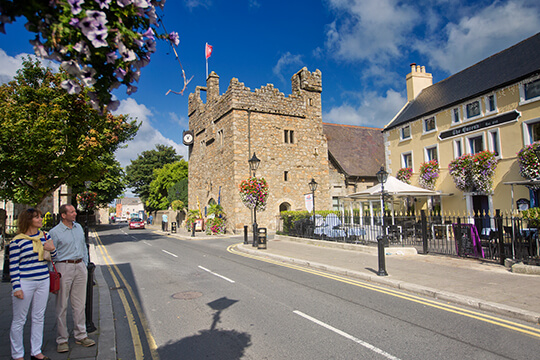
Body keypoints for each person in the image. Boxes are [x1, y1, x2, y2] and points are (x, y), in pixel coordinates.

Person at [9, 208, 56, 360]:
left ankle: (36, 351)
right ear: (29, 220)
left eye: (40, 217)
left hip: (43, 280)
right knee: (19, 320)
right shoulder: (17, 241)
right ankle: (17, 354)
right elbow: (13, 265)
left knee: (38, 317)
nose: (41, 220)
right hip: (25, 282)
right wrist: (16, 287)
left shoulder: (45, 236)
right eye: (37, 217)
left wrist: (52, 249)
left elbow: (53, 256)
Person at [49, 204, 95, 353]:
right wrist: (53, 273)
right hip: (64, 267)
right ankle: (62, 339)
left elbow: (83, 247)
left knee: (79, 304)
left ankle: (81, 335)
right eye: (72, 212)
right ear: (63, 215)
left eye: (75, 211)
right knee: (61, 305)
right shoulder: (54, 232)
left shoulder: (78, 228)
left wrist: (85, 264)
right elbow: (50, 254)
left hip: (79, 266)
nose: (75, 213)